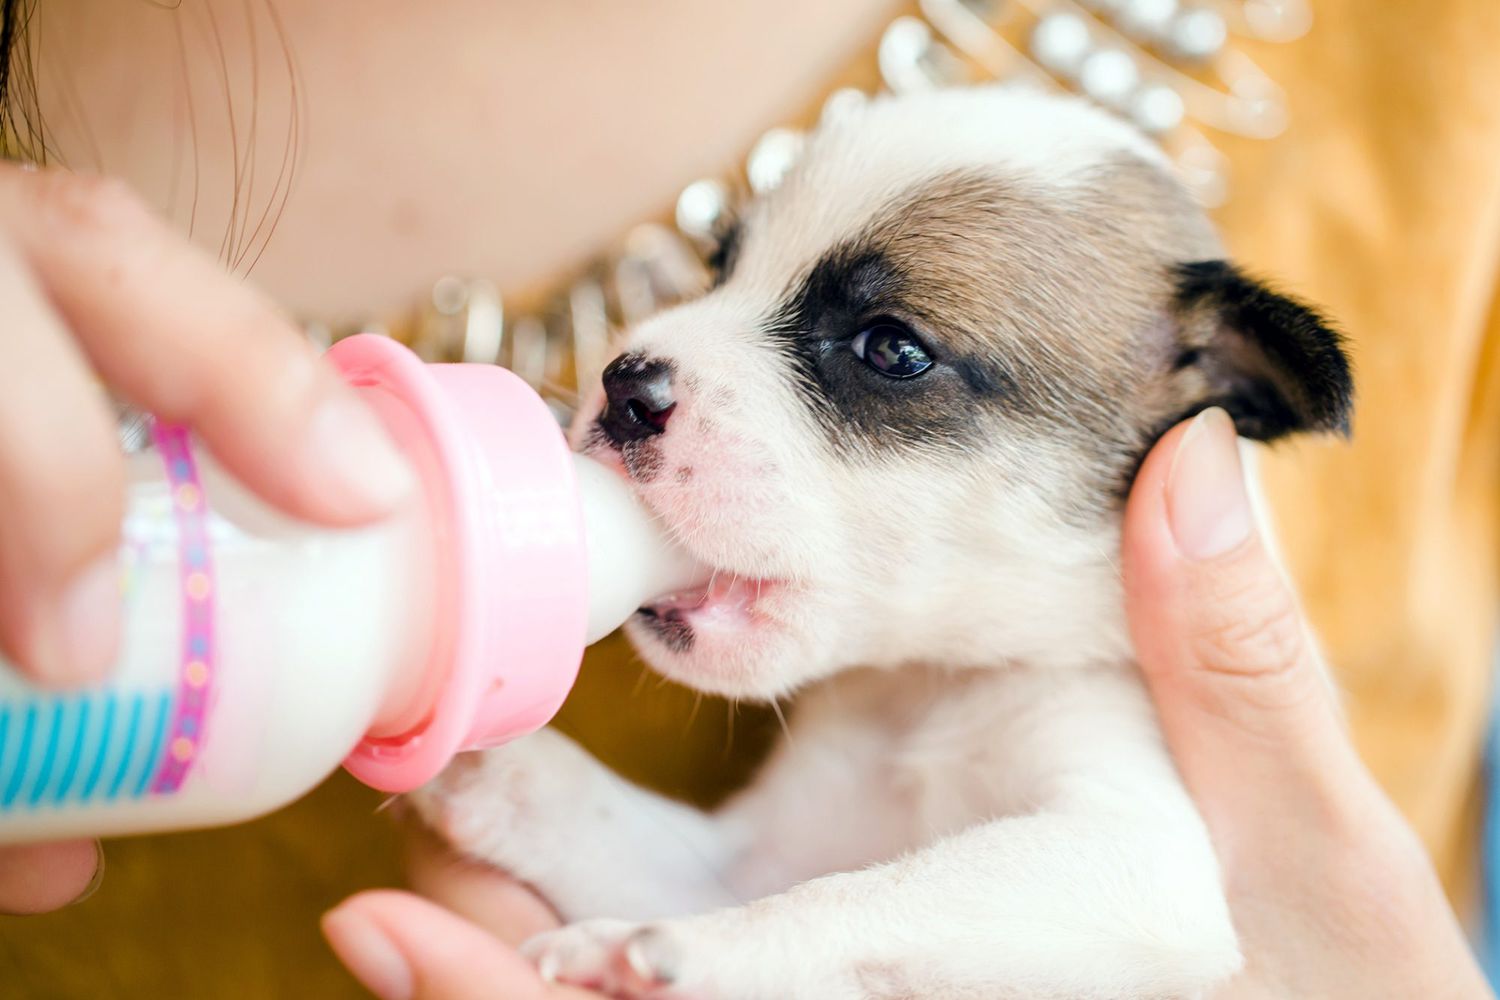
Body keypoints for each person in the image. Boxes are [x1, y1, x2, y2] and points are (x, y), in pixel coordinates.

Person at [3, 2, 1499, 998]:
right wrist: (470, 764)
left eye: (884, 352)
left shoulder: (1116, 733)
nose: (652, 366)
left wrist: (749, 951)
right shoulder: (882, 692)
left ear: (1196, 396)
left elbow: (1148, 898)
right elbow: (719, 878)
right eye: (734, 273)